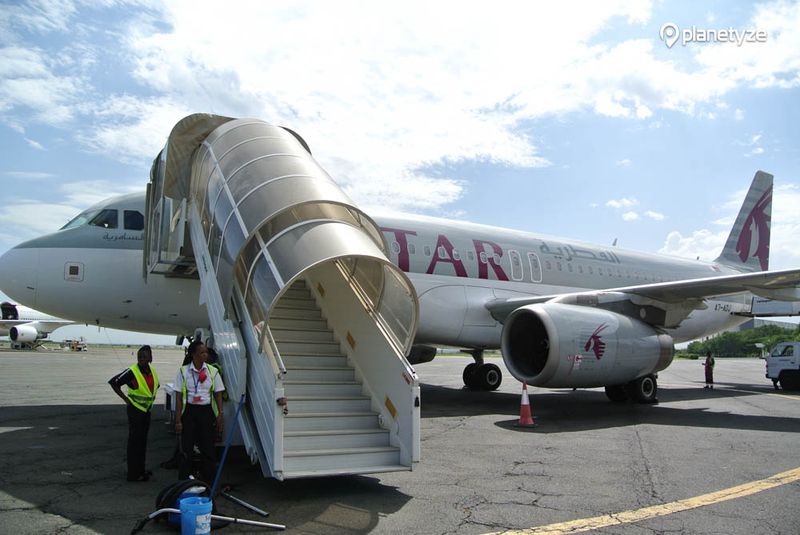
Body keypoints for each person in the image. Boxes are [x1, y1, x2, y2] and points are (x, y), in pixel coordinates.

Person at [174, 341, 225, 484]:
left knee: (208, 447)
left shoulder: (212, 371)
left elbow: (218, 394)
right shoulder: (183, 371)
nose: (205, 355)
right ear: (193, 355)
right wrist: (178, 420)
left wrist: (220, 415)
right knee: (187, 448)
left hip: (206, 412)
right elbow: (178, 397)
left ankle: (209, 482)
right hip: (189, 412)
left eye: (206, 352)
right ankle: (184, 482)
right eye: (202, 353)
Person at [108, 345, 160, 482]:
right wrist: (126, 399)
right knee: (134, 442)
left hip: (146, 411)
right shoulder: (132, 371)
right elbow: (114, 382)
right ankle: (133, 474)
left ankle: (140, 470)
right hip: (135, 410)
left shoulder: (152, 371)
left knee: (142, 442)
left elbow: (155, 386)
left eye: (144, 357)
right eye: (139, 357)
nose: (141, 359)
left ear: (150, 358)